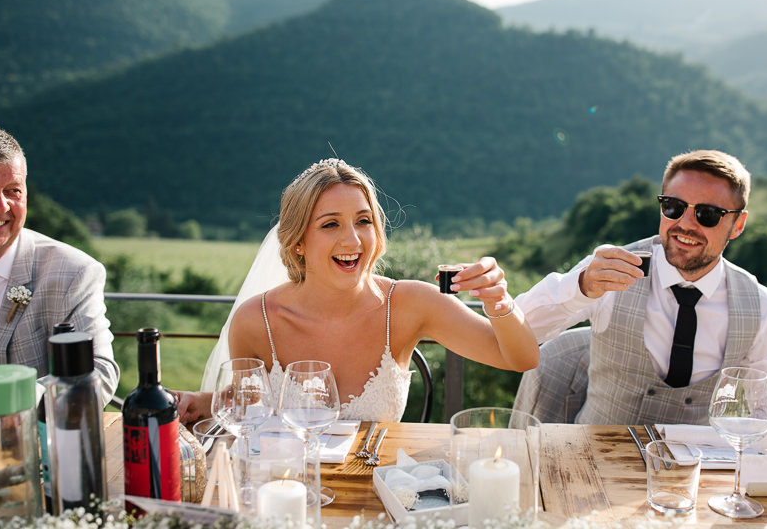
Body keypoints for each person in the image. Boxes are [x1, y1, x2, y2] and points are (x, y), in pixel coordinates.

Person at [178, 158, 539, 423]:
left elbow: (521, 359)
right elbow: (250, 406)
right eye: (330, 224)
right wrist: (204, 402)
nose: (352, 240)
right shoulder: (256, 321)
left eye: (363, 221)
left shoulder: (412, 304)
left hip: (379, 497)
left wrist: (499, 301)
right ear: (298, 241)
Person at [514, 149, 767, 426]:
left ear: (737, 225)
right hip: (595, 456)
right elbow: (518, 329)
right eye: (673, 206)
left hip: (698, 467)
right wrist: (581, 286)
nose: (685, 224)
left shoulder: (760, 307)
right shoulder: (613, 266)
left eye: (708, 214)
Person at [0, 125, 119, 404]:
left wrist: (12, 398)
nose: (0, 206)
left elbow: (98, 373)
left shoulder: (73, 273)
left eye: (13, 191)